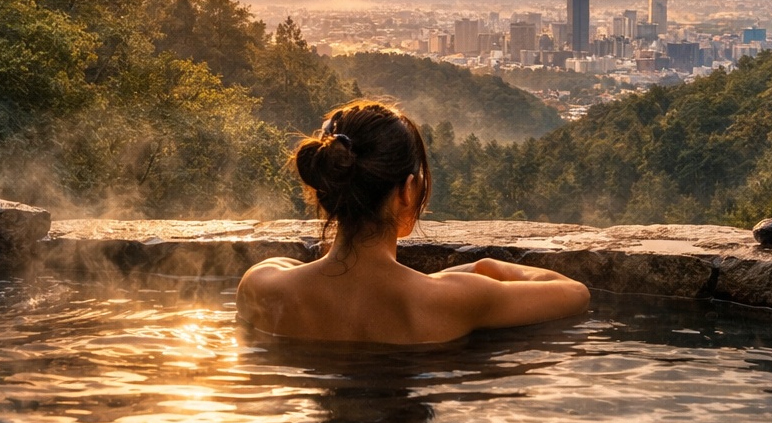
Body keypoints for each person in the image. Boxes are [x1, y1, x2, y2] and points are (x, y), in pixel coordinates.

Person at [237, 100, 590, 344]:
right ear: (407, 191)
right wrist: (487, 267)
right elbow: (575, 295)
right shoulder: (453, 299)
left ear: (327, 185)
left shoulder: (262, 286)